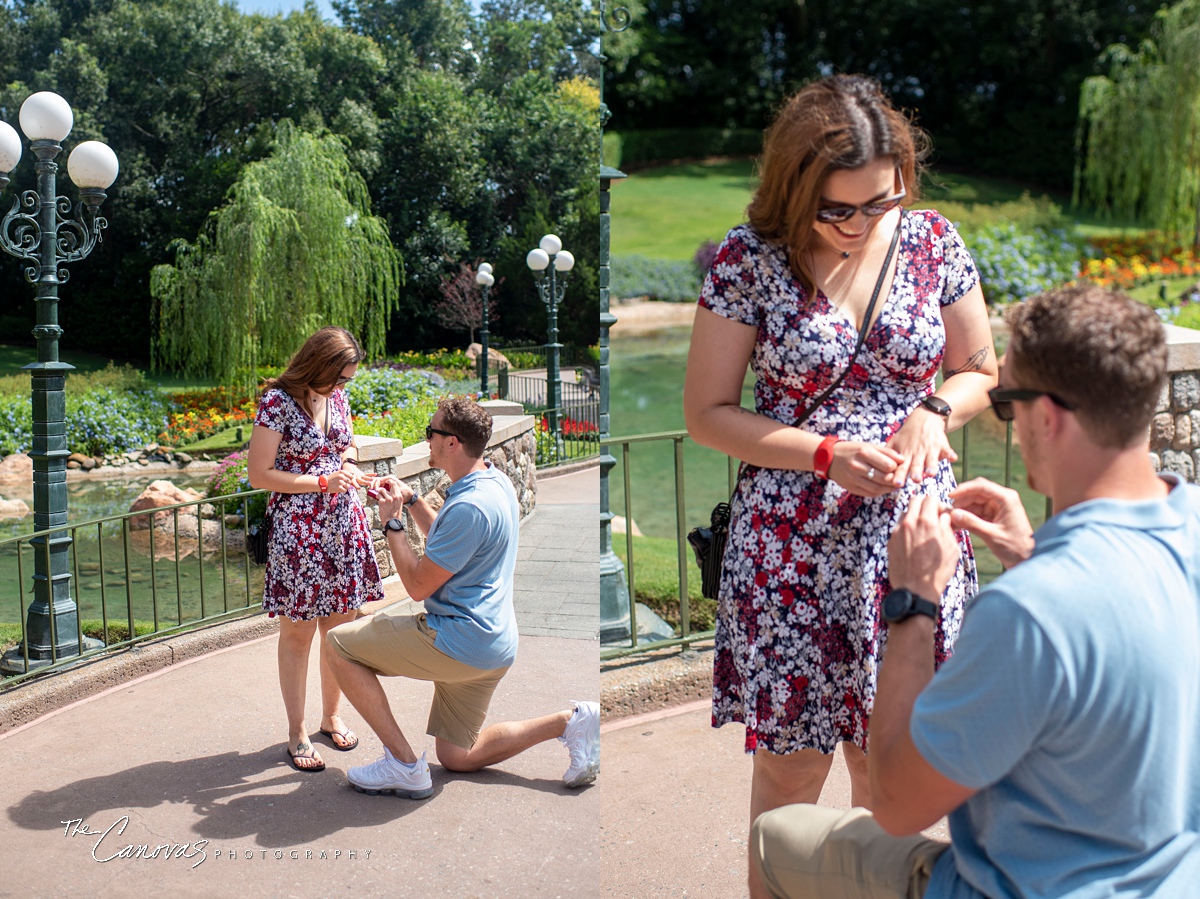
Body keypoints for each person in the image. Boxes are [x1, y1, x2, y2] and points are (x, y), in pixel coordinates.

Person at [751, 283, 1200, 897]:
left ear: (1046, 416)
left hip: (1021, 887)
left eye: (1007, 403)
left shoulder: (1030, 611)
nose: (1008, 424)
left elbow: (898, 804)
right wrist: (1033, 555)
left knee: (777, 836)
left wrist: (912, 603)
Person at [682, 74, 997, 894]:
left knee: (889, 782)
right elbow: (709, 414)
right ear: (795, 188)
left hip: (909, 544)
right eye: (838, 209)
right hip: (793, 545)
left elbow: (981, 371)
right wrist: (825, 453)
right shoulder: (744, 261)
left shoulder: (931, 240)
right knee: (789, 782)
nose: (860, 225)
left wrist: (933, 408)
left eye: (878, 204)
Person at [324, 396, 599, 797]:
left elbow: (418, 586)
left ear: (451, 443)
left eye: (430, 433)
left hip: (458, 641)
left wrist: (393, 523)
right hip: (494, 645)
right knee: (458, 755)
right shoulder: (493, 481)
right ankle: (571, 721)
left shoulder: (468, 503)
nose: (427, 439)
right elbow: (451, 540)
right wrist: (414, 500)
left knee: (338, 646)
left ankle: (403, 765)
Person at [247, 326, 383, 773]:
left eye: (348, 380)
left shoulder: (337, 397)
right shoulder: (276, 403)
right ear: (319, 366)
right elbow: (260, 475)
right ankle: (296, 732)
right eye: (340, 377)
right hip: (298, 534)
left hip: (342, 525)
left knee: (339, 633)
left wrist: (348, 466)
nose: (344, 386)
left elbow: (347, 445)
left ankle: (330, 717)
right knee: (298, 634)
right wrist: (322, 482)